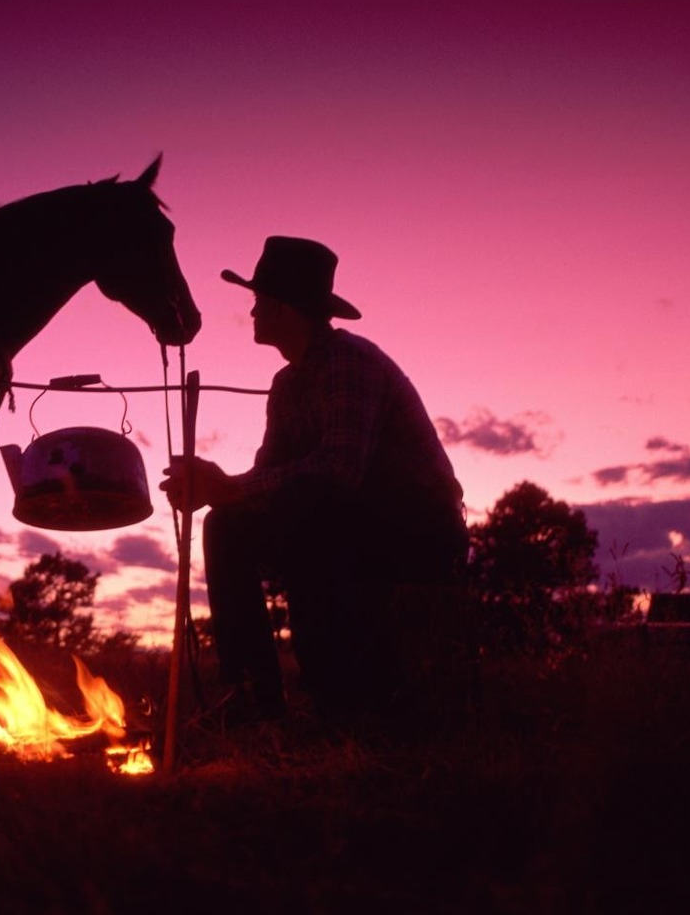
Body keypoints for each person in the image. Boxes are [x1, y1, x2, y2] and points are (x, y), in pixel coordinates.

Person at [163, 236, 468, 731]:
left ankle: (339, 696)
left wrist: (230, 487)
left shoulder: (351, 361)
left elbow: (339, 471)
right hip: (351, 523)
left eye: (259, 301)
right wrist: (214, 490)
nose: (254, 311)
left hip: (420, 527)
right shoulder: (287, 386)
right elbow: (268, 481)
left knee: (313, 514)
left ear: (283, 308)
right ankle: (253, 696)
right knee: (228, 527)